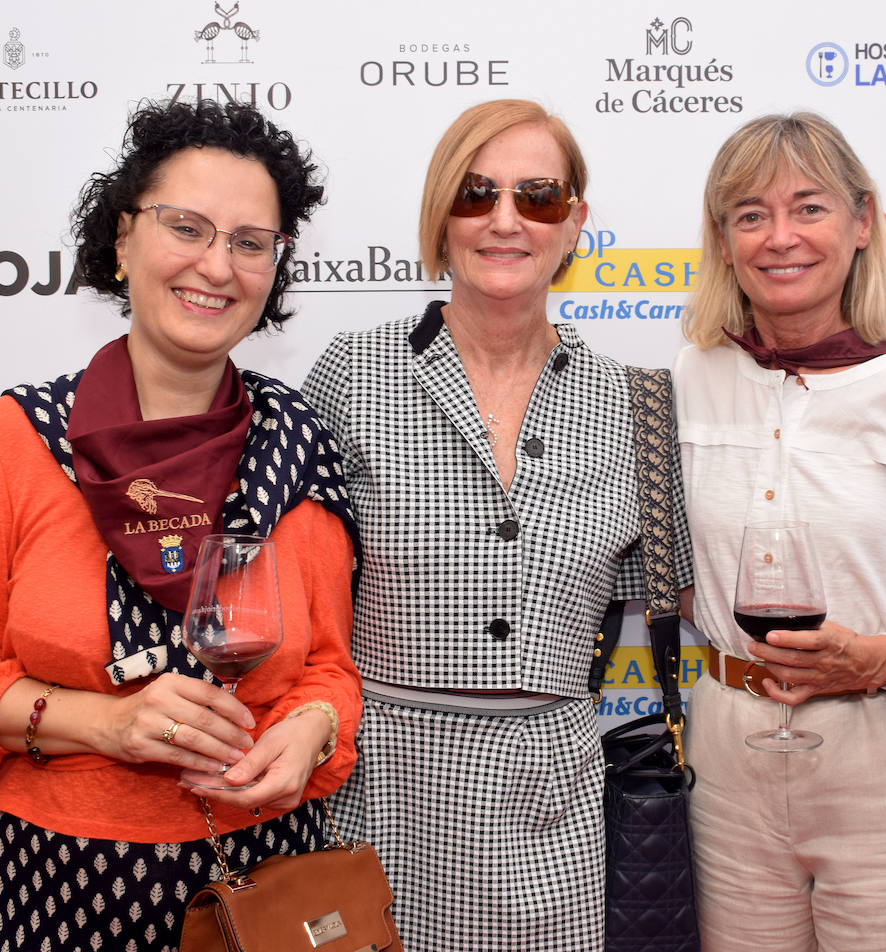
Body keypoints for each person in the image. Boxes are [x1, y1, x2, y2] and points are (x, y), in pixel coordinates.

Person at [0, 99, 360, 952]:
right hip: (59, 882)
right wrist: (102, 722)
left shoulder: (299, 443)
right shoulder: (18, 438)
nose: (217, 266)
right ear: (122, 239)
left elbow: (326, 668)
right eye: (187, 227)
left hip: (264, 877)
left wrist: (310, 730)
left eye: (251, 243)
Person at [301, 99, 694, 952]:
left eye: (538, 197)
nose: (505, 220)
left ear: (575, 222)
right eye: (476, 194)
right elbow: (287, 593)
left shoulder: (636, 405)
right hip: (380, 790)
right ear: (442, 217)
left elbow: (706, 600)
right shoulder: (351, 375)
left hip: (552, 800)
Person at [674, 111, 886, 951]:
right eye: (750, 214)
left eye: (809, 208)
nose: (779, 237)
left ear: (863, 224)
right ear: (723, 241)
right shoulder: (690, 378)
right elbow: (669, 559)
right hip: (728, 766)